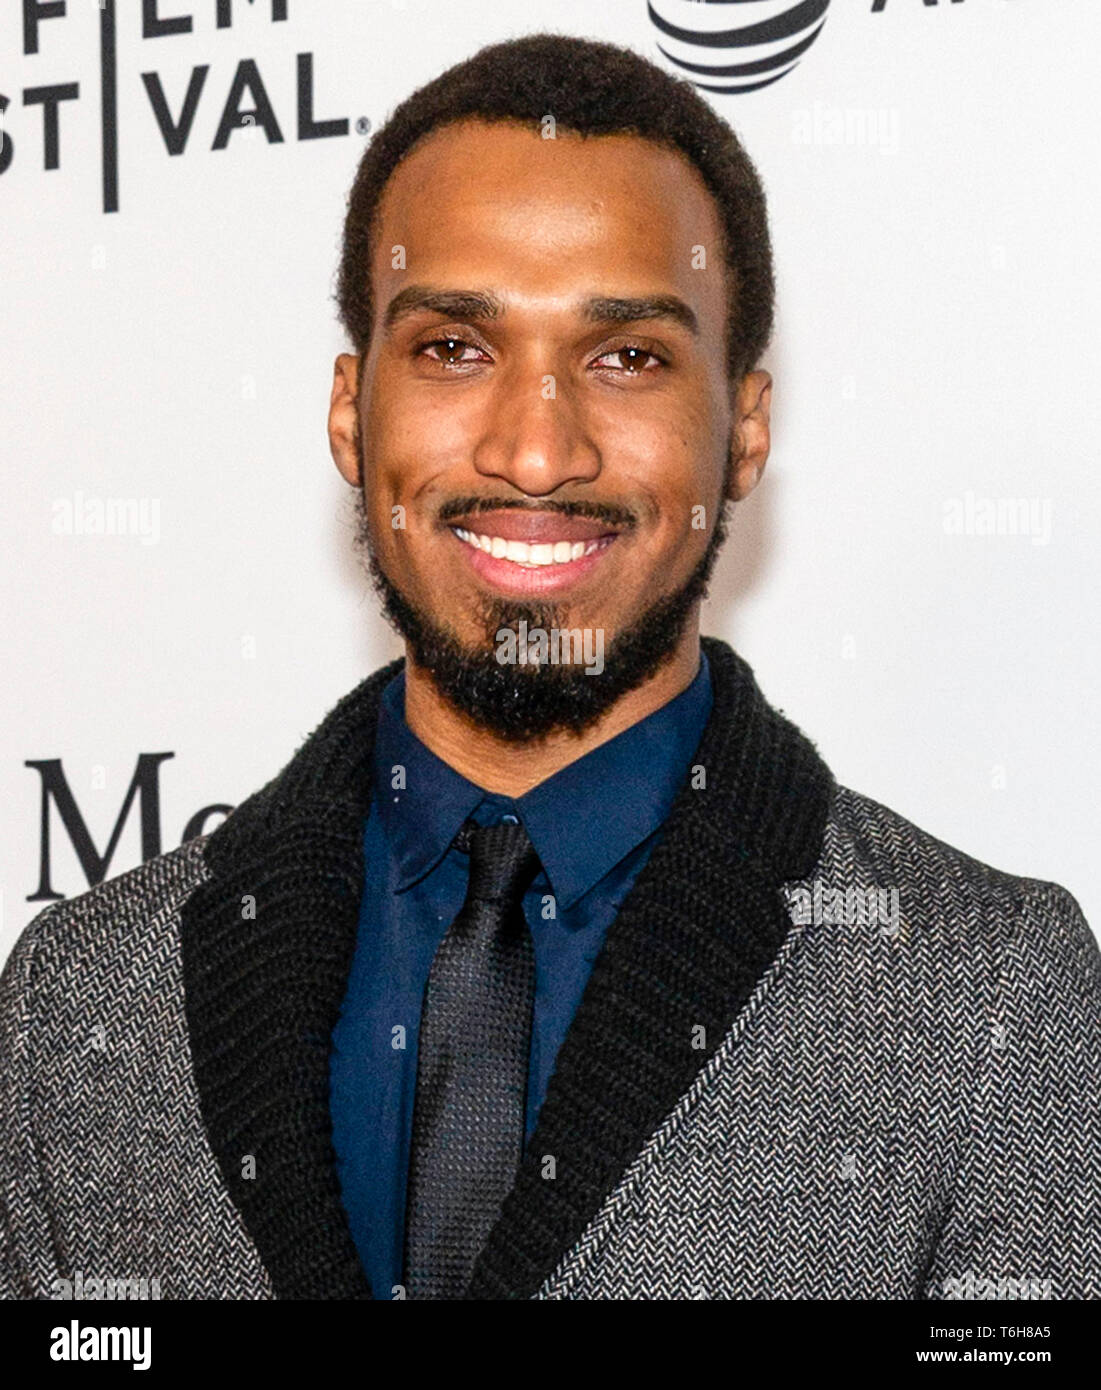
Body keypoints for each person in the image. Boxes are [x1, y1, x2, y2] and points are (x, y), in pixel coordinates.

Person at [2, 34, 1097, 1302]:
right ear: (352, 414)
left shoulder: (988, 998)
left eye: (625, 355)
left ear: (743, 430)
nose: (534, 450)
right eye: (455, 348)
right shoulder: (81, 1008)